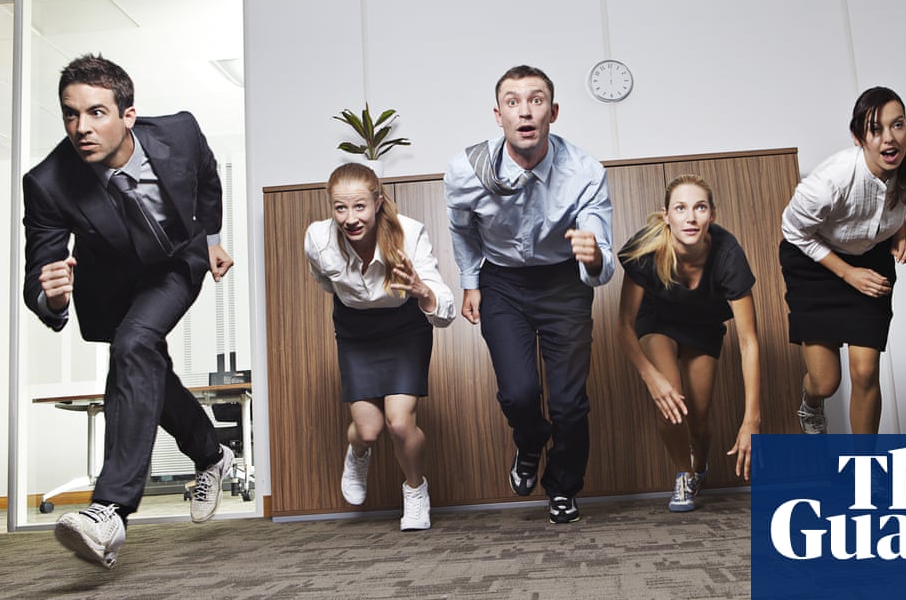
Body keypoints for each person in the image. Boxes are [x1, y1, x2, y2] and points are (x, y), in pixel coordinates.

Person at [22, 54, 236, 569]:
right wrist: (52, 295)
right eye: (71, 114)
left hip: (175, 260)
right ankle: (212, 454)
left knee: (134, 346)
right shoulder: (49, 181)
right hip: (113, 285)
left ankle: (109, 511)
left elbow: (207, 179)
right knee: (147, 366)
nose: (81, 127)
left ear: (128, 115)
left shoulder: (180, 132)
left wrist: (210, 236)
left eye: (96, 112)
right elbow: (42, 269)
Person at [444, 65, 614, 524]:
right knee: (519, 393)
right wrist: (470, 281)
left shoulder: (583, 170)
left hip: (563, 281)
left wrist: (593, 256)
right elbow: (462, 228)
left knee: (569, 402)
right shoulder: (467, 170)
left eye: (536, 100)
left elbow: (600, 244)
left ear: (552, 112)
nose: (525, 110)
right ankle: (529, 440)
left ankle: (563, 487)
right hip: (503, 282)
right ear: (498, 115)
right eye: (514, 101)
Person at [305, 162, 455, 530]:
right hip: (356, 330)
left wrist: (421, 290)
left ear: (377, 202)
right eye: (340, 207)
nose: (350, 217)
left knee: (400, 424)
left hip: (404, 327)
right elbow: (325, 282)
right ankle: (358, 452)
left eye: (359, 206)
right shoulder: (318, 238)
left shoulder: (409, 234)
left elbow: (444, 306)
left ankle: (416, 491)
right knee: (368, 429)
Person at [779, 86, 906, 435]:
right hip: (814, 262)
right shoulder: (829, 182)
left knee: (865, 371)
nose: (889, 139)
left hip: (871, 260)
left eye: (898, 125)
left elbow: (897, 204)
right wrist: (848, 274)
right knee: (826, 381)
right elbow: (792, 231)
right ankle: (811, 403)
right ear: (858, 137)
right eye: (875, 129)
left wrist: (900, 238)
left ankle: (865, 469)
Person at [617, 174, 760, 512]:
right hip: (658, 321)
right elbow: (623, 325)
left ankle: (699, 465)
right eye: (680, 208)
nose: (690, 217)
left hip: (703, 325)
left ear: (712, 214)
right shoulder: (646, 247)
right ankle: (683, 472)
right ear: (666, 214)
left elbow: (749, 342)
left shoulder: (729, 255)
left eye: (699, 207)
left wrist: (752, 418)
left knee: (699, 420)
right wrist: (652, 379)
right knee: (672, 406)